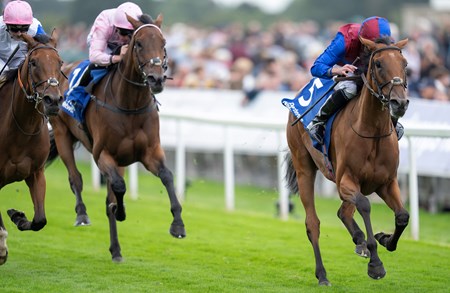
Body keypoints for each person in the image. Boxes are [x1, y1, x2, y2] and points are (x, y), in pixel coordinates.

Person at [307, 16, 404, 145]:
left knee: (388, 87)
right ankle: (318, 120)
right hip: (350, 69)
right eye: (370, 48)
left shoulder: (388, 44)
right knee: (350, 88)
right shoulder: (345, 40)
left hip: (373, 71)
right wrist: (336, 71)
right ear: (362, 41)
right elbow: (316, 67)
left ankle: (392, 121)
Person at [0, 0, 45, 73]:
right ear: (6, 24)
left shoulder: (36, 28)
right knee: (4, 73)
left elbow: (46, 49)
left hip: (20, 59)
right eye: (14, 29)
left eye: (24, 29)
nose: (19, 33)